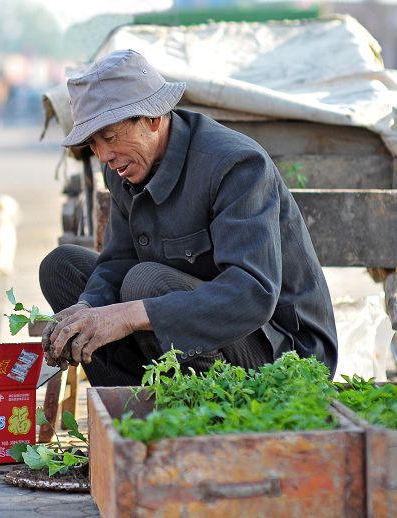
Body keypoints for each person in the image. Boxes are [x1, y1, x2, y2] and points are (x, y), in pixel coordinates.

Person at [39, 49, 337, 385]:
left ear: (153, 118)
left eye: (110, 137)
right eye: (93, 144)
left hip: (282, 350)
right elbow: (118, 261)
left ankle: (205, 417)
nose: (104, 155)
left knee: (145, 284)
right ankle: (133, 415)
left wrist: (129, 315)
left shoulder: (236, 165)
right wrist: (91, 306)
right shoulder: (123, 170)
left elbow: (252, 294)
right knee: (62, 268)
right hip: (187, 321)